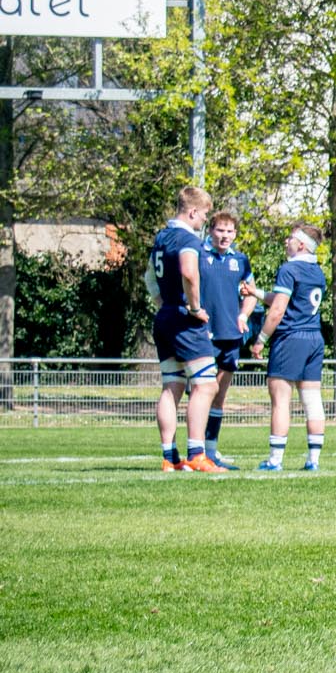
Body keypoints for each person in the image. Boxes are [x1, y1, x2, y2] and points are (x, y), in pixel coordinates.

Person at [146, 186, 223, 473]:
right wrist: (193, 308)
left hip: (165, 316)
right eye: (204, 215)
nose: (204, 221)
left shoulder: (161, 237)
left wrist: (163, 305)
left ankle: (170, 457)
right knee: (206, 385)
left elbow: (149, 278)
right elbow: (189, 273)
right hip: (183, 318)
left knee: (172, 385)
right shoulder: (186, 238)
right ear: (192, 212)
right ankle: (197, 454)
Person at [248, 223, 328, 472]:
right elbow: (286, 298)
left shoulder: (289, 269)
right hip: (314, 337)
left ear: (301, 244)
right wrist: (256, 292)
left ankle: (275, 460)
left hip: (291, 338)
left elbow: (279, 309)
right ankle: (313, 460)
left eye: (291, 237)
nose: (286, 241)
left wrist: (261, 338)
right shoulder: (317, 271)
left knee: (281, 400)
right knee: (312, 400)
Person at [196, 209, 259, 470]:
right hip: (203, 334)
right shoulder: (199, 255)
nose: (225, 236)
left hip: (230, 335)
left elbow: (251, 292)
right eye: (220, 230)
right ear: (211, 231)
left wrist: (244, 314)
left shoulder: (241, 260)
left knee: (220, 395)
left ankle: (211, 450)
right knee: (201, 392)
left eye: (230, 231)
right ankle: (195, 450)